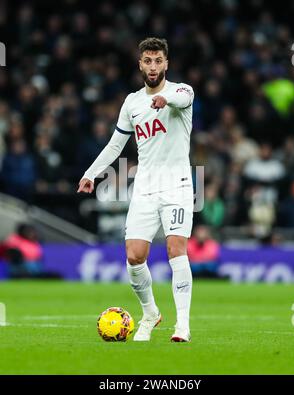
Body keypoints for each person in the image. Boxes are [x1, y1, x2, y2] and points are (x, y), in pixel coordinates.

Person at [78, 37, 194, 342]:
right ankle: (151, 313)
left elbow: (181, 99)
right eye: (148, 61)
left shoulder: (182, 91)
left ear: (166, 63)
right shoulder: (132, 102)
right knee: (134, 256)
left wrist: (165, 100)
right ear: (140, 63)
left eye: (158, 61)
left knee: (175, 249)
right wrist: (91, 174)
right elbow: (116, 145)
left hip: (178, 184)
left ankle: (183, 324)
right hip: (144, 186)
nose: (153, 66)